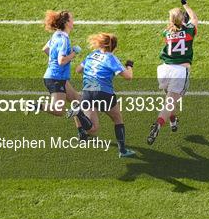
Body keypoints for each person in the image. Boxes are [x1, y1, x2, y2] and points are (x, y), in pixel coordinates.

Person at [73, 32, 136, 158]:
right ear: (114, 47)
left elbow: (78, 70)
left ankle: (79, 119)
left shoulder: (92, 54)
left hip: (88, 92)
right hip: (103, 93)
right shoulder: (111, 58)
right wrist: (129, 66)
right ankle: (122, 151)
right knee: (117, 118)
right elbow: (128, 77)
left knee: (93, 129)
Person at [147, 0, 198, 145]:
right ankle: (158, 124)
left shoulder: (166, 33)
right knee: (170, 103)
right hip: (180, 72)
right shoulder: (189, 31)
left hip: (164, 70)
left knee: (170, 100)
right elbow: (194, 19)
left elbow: (174, 29)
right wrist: (186, 5)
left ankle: (173, 120)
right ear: (183, 19)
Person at [38, 10, 93, 140]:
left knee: (78, 100)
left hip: (58, 77)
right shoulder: (64, 39)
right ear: (67, 22)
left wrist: (54, 60)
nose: (73, 21)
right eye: (72, 19)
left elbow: (45, 49)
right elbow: (61, 61)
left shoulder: (57, 34)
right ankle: (34, 105)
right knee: (59, 111)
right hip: (56, 78)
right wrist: (74, 53)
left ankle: (81, 133)